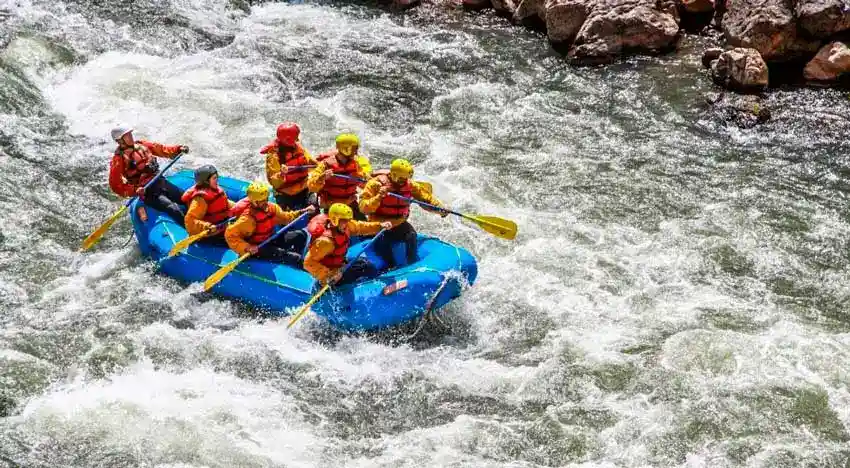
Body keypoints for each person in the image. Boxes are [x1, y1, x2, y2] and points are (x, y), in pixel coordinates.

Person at [359, 159, 448, 269]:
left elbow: (426, 199)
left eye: (406, 178)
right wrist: (378, 197)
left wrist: (439, 209)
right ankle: (388, 268)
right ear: (394, 175)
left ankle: (412, 265)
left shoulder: (409, 185)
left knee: (411, 235)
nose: (404, 181)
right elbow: (363, 208)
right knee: (384, 244)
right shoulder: (375, 184)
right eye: (401, 178)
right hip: (379, 224)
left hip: (398, 222)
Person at [108, 125, 189, 223]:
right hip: (147, 192)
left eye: (130, 134)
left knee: (187, 198)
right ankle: (192, 231)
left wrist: (178, 149)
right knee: (174, 209)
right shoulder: (118, 160)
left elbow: (162, 149)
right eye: (127, 135)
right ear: (120, 140)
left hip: (159, 181)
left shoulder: (141, 145)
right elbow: (115, 185)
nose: (131, 136)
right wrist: (134, 190)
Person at [225, 181, 315, 266]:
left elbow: (286, 218)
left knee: (300, 235)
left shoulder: (272, 208)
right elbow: (230, 235)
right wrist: (247, 247)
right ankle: (301, 267)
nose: (265, 202)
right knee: (294, 257)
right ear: (254, 202)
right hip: (259, 248)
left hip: (270, 239)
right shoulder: (247, 219)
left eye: (266, 199)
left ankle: (299, 262)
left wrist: (303, 211)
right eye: (261, 201)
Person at [303, 203, 391, 287]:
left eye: (348, 220)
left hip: (339, 265)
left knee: (362, 262)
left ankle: (374, 281)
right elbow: (308, 263)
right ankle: (379, 285)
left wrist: (380, 226)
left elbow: (361, 227)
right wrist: (329, 275)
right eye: (344, 220)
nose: (347, 222)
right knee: (364, 266)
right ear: (335, 220)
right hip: (331, 278)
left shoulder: (346, 226)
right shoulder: (325, 242)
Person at [306, 133, 369, 220]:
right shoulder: (326, 164)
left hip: (350, 202)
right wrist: (322, 178)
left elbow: (364, 185)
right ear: (345, 149)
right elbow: (311, 186)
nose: (356, 151)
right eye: (354, 148)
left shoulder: (356, 164)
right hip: (331, 205)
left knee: (366, 227)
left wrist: (365, 181)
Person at [262, 122, 319, 211]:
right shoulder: (274, 156)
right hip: (286, 193)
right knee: (287, 217)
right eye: (295, 137)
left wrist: (322, 166)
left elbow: (311, 163)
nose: (298, 139)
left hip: (304, 188)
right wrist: (281, 174)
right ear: (288, 139)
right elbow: (273, 181)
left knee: (314, 208)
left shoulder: (298, 147)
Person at [181, 165, 235, 246]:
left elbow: (225, 204)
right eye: (214, 178)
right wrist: (207, 226)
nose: (217, 180)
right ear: (205, 181)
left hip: (224, 226)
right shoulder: (200, 199)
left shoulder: (216, 190)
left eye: (217, 177)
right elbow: (190, 220)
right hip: (210, 234)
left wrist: (239, 208)